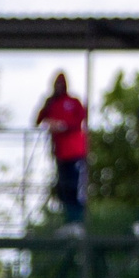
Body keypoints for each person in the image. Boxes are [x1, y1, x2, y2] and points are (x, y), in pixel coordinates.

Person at [37, 72, 89, 229]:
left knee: (75, 186)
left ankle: (77, 222)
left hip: (75, 151)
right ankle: (69, 221)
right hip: (60, 153)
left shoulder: (73, 102)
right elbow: (38, 120)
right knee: (63, 187)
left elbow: (79, 119)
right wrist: (47, 111)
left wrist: (62, 125)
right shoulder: (52, 103)